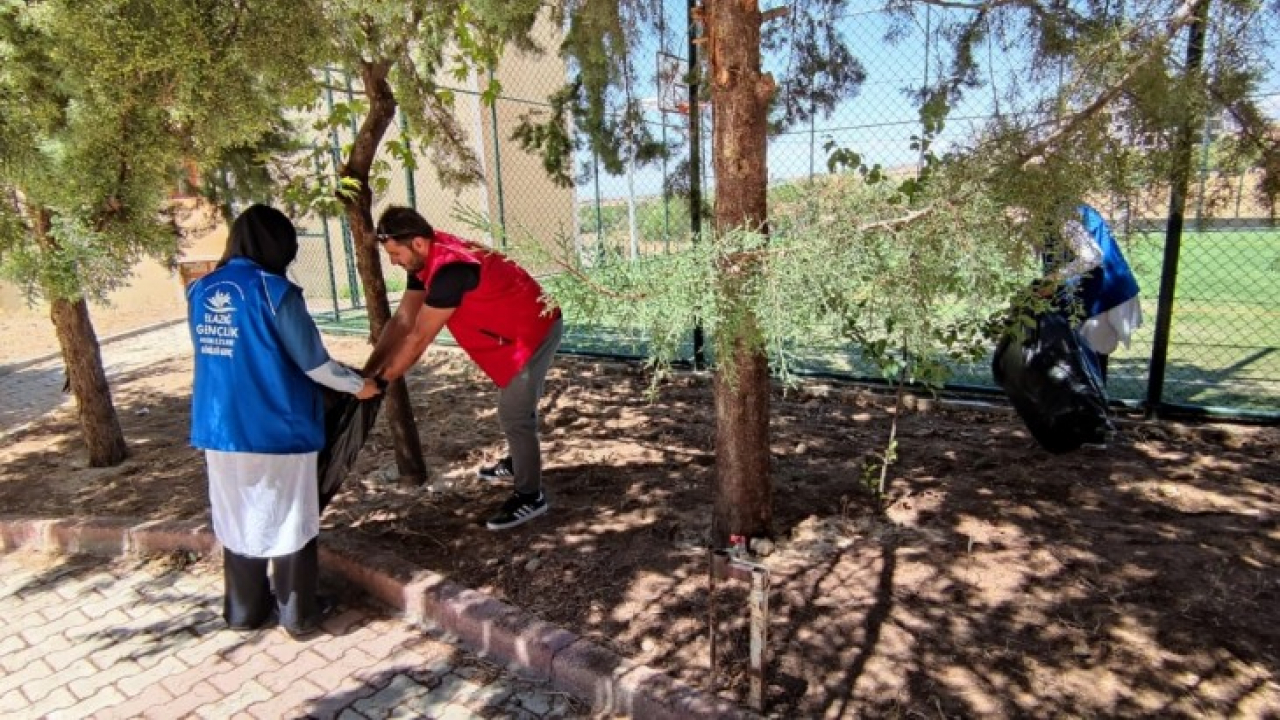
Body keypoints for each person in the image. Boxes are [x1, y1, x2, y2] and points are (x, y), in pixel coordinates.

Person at [187, 204, 380, 639]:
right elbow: (315, 366)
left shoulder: (199, 291)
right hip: (277, 427)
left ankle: (244, 611)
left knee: (237, 514)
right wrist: (359, 387)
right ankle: (297, 615)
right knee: (292, 517)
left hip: (219, 430)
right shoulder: (276, 293)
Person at [364, 206, 563, 531]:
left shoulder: (450, 271)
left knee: (514, 414)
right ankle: (520, 462)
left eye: (395, 253)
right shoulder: (426, 261)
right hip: (509, 332)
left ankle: (530, 496)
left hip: (535, 330)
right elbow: (402, 320)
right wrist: (368, 372)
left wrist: (382, 382)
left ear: (417, 243)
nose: (393, 262)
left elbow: (417, 338)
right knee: (516, 410)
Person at [1043, 203, 1143, 383]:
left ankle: (1094, 408)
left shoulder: (1065, 216)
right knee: (1084, 359)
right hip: (1095, 293)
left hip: (1105, 295)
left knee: (1092, 361)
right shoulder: (1069, 210)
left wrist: (1053, 279)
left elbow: (1091, 257)